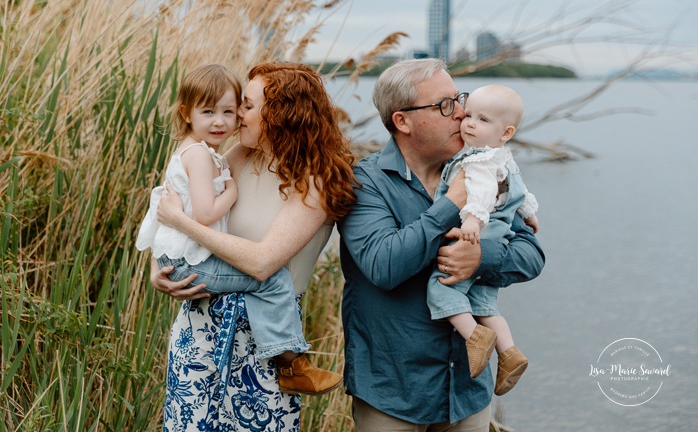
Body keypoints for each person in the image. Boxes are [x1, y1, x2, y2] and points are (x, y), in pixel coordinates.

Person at [338, 58, 545, 431]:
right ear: (402, 121)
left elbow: (531, 255)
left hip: (467, 392)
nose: (462, 113)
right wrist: (452, 204)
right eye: (445, 105)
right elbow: (384, 266)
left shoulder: (483, 168)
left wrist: (479, 257)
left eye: (459, 99)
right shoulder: (365, 182)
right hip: (394, 393)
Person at [149, 62, 357, 431]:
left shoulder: (316, 180)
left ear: (280, 114)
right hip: (200, 329)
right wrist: (158, 269)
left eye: (246, 105)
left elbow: (262, 264)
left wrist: (185, 224)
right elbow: (172, 199)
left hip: (265, 344)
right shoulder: (238, 157)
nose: (236, 115)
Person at [426, 84, 539, 397]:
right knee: (485, 304)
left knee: (442, 288)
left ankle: (475, 337)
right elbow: (520, 192)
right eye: (469, 115)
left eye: (483, 119)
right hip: (500, 239)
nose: (469, 123)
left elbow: (483, 193)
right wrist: (530, 214)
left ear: (506, 132)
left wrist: (473, 221)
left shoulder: (476, 161)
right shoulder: (504, 159)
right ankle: (509, 352)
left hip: (475, 235)